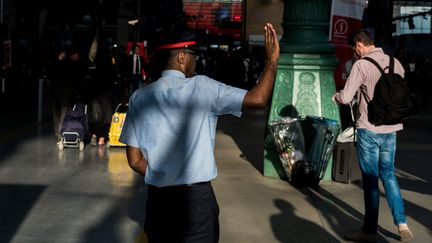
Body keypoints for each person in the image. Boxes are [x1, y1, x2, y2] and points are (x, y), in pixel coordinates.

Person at [119, 23, 279, 243]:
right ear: (182, 57)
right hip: (196, 204)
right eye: (194, 55)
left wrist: (164, 173)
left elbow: (135, 160)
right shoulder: (203, 88)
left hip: (159, 202)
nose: (196, 61)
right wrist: (271, 61)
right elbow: (258, 99)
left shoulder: (139, 97)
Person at [332, 30, 413, 242]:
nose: (355, 53)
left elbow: (347, 97)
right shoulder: (397, 63)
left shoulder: (361, 65)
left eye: (354, 49)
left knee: (370, 180)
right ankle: (402, 224)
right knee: (389, 175)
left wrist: (336, 96)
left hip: (369, 128)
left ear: (359, 45)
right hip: (392, 129)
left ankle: (369, 231)